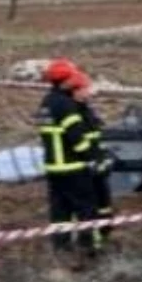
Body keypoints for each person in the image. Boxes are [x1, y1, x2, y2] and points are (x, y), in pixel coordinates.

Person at [35, 59, 97, 254]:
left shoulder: (46, 102)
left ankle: (61, 249)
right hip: (72, 166)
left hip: (53, 166)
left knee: (60, 211)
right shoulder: (66, 105)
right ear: (65, 80)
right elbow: (77, 139)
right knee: (86, 208)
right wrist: (95, 156)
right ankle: (89, 248)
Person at [68, 70, 113, 247]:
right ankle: (91, 243)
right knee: (89, 206)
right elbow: (80, 142)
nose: (89, 92)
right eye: (86, 88)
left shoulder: (86, 110)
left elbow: (96, 137)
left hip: (97, 165)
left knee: (103, 204)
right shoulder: (75, 113)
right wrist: (94, 160)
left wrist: (103, 157)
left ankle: (103, 234)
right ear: (76, 91)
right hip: (87, 168)